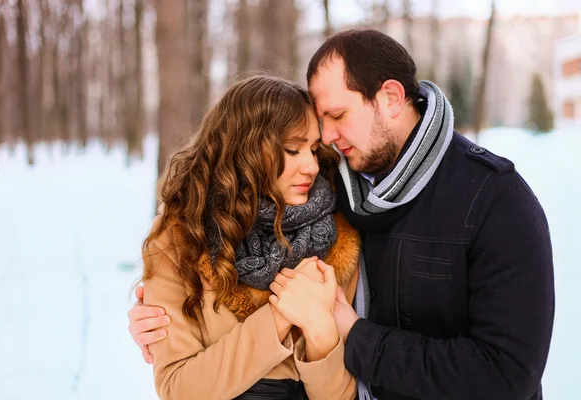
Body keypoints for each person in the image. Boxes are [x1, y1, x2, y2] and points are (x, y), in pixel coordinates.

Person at [131, 29, 555, 400]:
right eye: (317, 131)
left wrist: (346, 333)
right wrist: (158, 315)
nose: (326, 145)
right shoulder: (340, 193)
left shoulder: (493, 199)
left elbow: (507, 374)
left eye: (336, 117)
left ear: (389, 97)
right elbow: (181, 375)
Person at [136, 75, 361, 400]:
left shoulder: (338, 238)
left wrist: (320, 330)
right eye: (293, 149)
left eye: (313, 149)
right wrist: (278, 317)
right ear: (246, 150)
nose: (311, 165)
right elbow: (177, 389)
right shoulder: (180, 238)